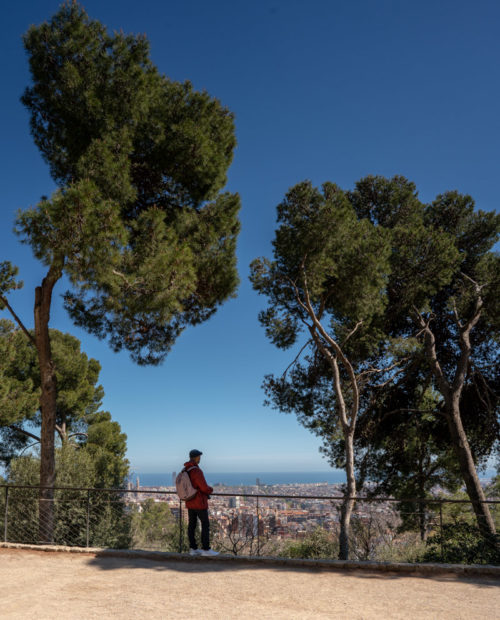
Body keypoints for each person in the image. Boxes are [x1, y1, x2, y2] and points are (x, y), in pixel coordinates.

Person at [184, 449, 219, 556]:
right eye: (199, 457)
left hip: (189, 501)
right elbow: (203, 487)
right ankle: (206, 549)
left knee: (192, 525)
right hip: (199, 502)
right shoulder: (196, 471)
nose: (200, 459)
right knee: (205, 524)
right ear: (196, 457)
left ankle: (193, 548)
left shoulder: (186, 469)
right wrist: (210, 490)